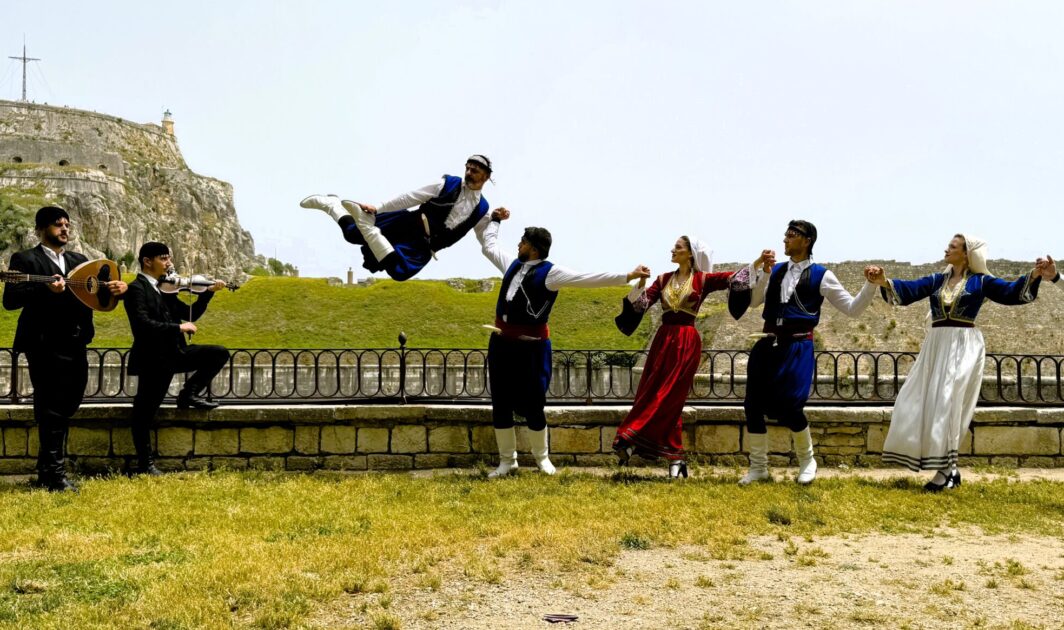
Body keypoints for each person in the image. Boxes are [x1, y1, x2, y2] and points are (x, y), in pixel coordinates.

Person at [479, 208, 650, 477]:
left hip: (532, 347)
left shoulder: (552, 273)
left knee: (534, 403)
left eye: (522, 242)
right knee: (500, 402)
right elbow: (488, 246)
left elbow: (587, 279)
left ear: (534, 249)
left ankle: (542, 459)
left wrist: (627, 276)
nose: (518, 245)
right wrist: (495, 221)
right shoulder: (511, 264)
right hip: (501, 344)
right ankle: (507, 461)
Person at [865, 235, 1042, 491]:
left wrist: (1035, 274)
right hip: (936, 345)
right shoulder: (937, 280)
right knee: (922, 400)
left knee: (949, 402)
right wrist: (883, 281)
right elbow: (910, 289)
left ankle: (946, 471)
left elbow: (1010, 292)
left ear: (967, 254)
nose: (946, 249)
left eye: (953, 246)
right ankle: (951, 470)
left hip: (964, 345)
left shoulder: (981, 281)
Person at [734, 220, 878, 486]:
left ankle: (807, 461)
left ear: (807, 240)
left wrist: (870, 285)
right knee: (752, 405)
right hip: (767, 343)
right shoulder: (776, 271)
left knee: (791, 405)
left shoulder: (822, 275)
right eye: (785, 234)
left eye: (791, 235)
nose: (785, 239)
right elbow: (754, 303)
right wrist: (764, 274)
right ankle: (758, 468)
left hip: (798, 346)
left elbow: (852, 309)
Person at [3, 206, 127, 492]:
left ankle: (48, 468)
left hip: (76, 340)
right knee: (52, 406)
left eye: (67, 225)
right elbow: (10, 301)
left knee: (69, 402)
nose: (65, 229)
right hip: (43, 342)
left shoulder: (79, 261)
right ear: (41, 229)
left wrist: (118, 289)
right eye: (58, 224)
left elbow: (97, 294)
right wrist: (45, 289)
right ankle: (54, 473)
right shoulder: (25, 259)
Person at [611, 236, 747, 478]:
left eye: (678, 247)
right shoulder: (663, 279)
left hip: (686, 342)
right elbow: (641, 305)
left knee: (669, 396)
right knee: (653, 391)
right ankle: (675, 458)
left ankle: (632, 438)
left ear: (690, 253)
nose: (672, 250)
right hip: (663, 341)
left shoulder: (702, 279)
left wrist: (758, 265)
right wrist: (641, 282)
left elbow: (734, 278)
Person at [123, 242, 229, 475]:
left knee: (218, 353)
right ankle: (145, 464)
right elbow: (142, 325)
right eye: (163, 258)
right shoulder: (136, 289)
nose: (169, 263)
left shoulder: (166, 289)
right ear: (147, 261)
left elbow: (190, 314)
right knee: (144, 413)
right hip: (153, 360)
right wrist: (178, 328)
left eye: (169, 258)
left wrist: (208, 293)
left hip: (176, 353)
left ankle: (188, 394)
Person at [300, 155, 495, 281]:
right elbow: (410, 198)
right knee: (352, 234)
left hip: (424, 247)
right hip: (409, 224)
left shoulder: (483, 209)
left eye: (475, 171)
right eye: (467, 168)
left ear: (486, 177)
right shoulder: (447, 183)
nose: (469, 173)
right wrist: (378, 207)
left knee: (400, 272)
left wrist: (496, 221)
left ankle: (367, 226)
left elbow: (486, 241)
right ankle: (331, 204)